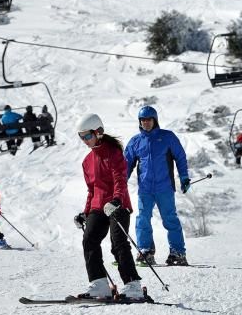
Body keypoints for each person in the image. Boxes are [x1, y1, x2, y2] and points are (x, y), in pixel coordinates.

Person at [73, 113, 144, 300]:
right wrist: (85, 212)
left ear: (99, 132)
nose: (84, 140)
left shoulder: (114, 152)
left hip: (116, 203)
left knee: (118, 243)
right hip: (98, 206)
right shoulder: (87, 161)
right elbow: (91, 190)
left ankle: (133, 285)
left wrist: (117, 200)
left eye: (87, 136)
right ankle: (99, 285)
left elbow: (120, 178)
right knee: (89, 240)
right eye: (81, 137)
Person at [124, 105, 191, 266]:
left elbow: (180, 157)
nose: (146, 123)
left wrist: (184, 177)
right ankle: (146, 251)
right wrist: (120, 183)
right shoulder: (135, 141)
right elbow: (126, 165)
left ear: (155, 120)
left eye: (149, 119)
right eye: (143, 120)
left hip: (164, 187)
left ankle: (178, 252)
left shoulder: (167, 137)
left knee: (170, 219)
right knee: (142, 219)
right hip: (145, 189)